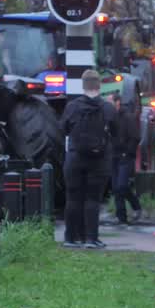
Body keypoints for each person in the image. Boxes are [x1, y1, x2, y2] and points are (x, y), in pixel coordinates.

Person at [60, 70, 116, 249]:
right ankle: (91, 239)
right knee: (93, 198)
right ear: (99, 85)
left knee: (73, 198)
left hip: (75, 157)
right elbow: (116, 132)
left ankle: (70, 237)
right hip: (99, 159)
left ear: (83, 85)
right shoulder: (108, 107)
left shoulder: (72, 106)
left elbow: (63, 128)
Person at [110, 91, 144, 225]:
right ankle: (121, 217)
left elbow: (135, 137)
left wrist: (128, 152)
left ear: (117, 102)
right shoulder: (110, 118)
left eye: (110, 102)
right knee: (116, 187)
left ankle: (136, 206)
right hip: (114, 155)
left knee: (122, 185)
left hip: (124, 155)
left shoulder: (127, 118)